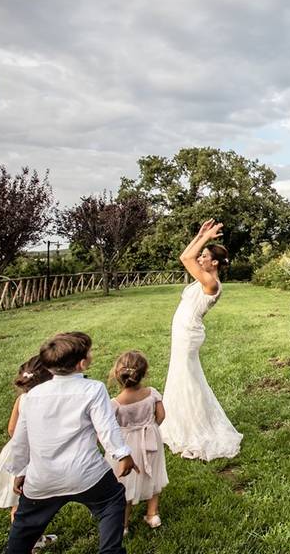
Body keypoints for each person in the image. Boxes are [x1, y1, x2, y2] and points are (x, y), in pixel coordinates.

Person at [4, 332, 137, 554]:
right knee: (112, 500)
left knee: (24, 527)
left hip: (42, 477)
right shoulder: (93, 389)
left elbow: (21, 438)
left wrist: (20, 470)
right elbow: (106, 427)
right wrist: (123, 454)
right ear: (82, 363)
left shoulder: (32, 396)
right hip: (86, 473)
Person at [162, 220, 243, 461]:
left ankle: (194, 426)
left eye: (204, 256)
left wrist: (205, 238)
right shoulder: (203, 279)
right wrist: (200, 235)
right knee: (181, 376)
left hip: (189, 334)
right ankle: (179, 419)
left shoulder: (210, 283)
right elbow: (187, 256)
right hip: (183, 331)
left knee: (187, 379)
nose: (200, 258)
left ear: (214, 262)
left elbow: (185, 258)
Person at [0, 357, 57, 550]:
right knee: (29, 505)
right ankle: (28, 542)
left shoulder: (21, 399)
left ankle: (34, 539)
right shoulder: (49, 401)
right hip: (33, 456)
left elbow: (12, 429)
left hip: (17, 452)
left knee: (21, 503)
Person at [108, 351, 168, 536]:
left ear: (117, 374)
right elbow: (161, 415)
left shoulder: (114, 403)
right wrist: (151, 427)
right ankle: (153, 514)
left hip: (126, 445)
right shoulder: (152, 393)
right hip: (151, 438)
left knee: (124, 482)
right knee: (153, 474)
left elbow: (109, 427)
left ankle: (124, 525)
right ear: (144, 373)